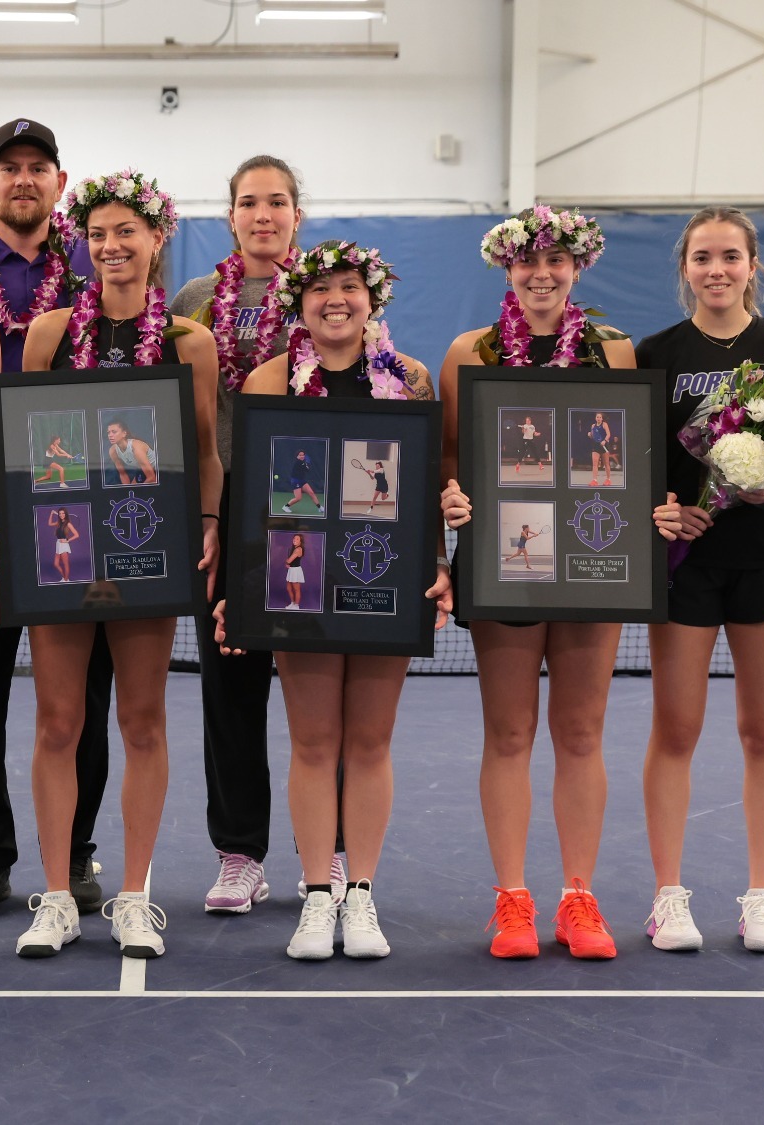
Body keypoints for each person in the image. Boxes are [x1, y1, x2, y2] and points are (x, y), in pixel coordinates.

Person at [212, 241, 447, 960]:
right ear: (298, 304)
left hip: (384, 580)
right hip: (300, 582)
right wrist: (236, 595)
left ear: (371, 298)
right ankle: (318, 896)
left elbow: (426, 488)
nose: (335, 300)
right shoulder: (270, 377)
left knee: (370, 742)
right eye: (319, 290)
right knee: (313, 743)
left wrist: (438, 566)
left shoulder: (409, 380)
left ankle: (362, 896)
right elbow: (249, 495)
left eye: (349, 286)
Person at [12, 168, 222, 958]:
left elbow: (204, 450)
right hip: (63, 547)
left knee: (141, 720)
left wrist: (203, 521)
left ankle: (134, 895)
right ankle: (58, 894)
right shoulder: (48, 333)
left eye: (126, 232)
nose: (110, 247)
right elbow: (25, 444)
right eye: (97, 235)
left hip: (147, 546)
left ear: (156, 237)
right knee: (58, 721)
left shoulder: (187, 342)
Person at [438, 205, 636, 960]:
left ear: (578, 267)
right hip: (505, 560)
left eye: (556, 262)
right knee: (511, 730)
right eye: (528, 263)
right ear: (506, 268)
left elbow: (631, 453)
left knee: (582, 731)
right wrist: (452, 495)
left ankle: (578, 899)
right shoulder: (469, 352)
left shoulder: (613, 351)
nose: (542, 274)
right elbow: (449, 455)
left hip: (592, 560)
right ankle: (513, 899)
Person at [0, 119, 116, 918]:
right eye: (8, 167)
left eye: (36, 167)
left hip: (74, 504)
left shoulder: (100, 264)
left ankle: (73, 848)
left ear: (59, 181)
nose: (23, 179)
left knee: (80, 694)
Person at [640, 207, 764, 954]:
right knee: (677, 728)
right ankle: (669, 897)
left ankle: (761, 897)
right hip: (685, 565)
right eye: (703, 257)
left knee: (763, 728)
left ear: (753, 266)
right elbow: (631, 461)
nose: (717, 269)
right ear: (685, 268)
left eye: (731, 257)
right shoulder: (655, 353)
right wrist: (662, 512)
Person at [173, 156, 302, 911]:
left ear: (296, 215)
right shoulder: (193, 300)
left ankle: (336, 848)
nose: (263, 214)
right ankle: (238, 853)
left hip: (305, 516)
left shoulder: (333, 290)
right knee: (230, 689)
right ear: (230, 217)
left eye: (277, 202)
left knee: (325, 691)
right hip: (220, 521)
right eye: (249, 202)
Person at [105, 419, 158, 485]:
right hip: (143, 470)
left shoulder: (136, 448)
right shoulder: (113, 451)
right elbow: (123, 474)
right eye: (108, 432)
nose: (110, 435)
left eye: (114, 432)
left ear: (124, 433)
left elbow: (152, 478)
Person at [283, 450, 322, 514]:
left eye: (303, 455)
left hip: (302, 480)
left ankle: (319, 508)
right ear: (297, 456)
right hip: (296, 481)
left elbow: (307, 470)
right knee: (298, 498)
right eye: (300, 455)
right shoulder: (297, 462)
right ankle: (286, 506)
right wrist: (307, 464)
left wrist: (306, 464)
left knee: (311, 492)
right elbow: (306, 469)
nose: (302, 456)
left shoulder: (302, 462)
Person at [47, 507, 79, 582]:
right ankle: (64, 578)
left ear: (65, 514)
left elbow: (77, 535)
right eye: (60, 513)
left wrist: (67, 540)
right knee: (56, 564)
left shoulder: (68, 524)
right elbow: (49, 524)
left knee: (65, 564)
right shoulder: (58, 523)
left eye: (63, 513)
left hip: (64, 546)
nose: (61, 515)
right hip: (58, 544)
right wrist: (51, 514)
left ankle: (66, 579)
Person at [586, 413, 614, 486]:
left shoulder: (604, 424)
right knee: (595, 464)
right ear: (595, 418)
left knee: (606, 464)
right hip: (596, 446)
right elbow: (593, 436)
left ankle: (608, 479)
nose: (598, 418)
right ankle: (594, 480)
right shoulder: (593, 426)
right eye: (597, 417)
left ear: (602, 418)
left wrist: (604, 441)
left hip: (604, 445)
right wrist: (590, 435)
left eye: (600, 417)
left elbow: (608, 434)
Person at [284, 532, 307, 610]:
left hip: (296, 571)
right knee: (289, 588)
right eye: (294, 538)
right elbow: (290, 562)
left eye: (297, 539)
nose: (294, 540)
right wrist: (288, 563)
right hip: (291, 570)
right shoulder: (293, 548)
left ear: (300, 541)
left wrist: (287, 562)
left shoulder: (298, 549)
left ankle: (296, 606)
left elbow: (289, 560)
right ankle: (292, 603)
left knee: (296, 589)